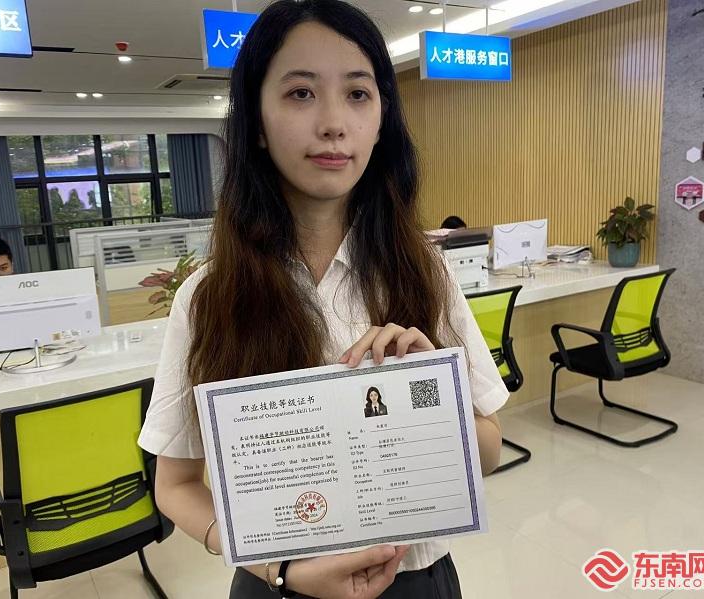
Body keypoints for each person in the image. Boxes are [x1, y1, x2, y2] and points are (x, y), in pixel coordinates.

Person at [138, 2, 507, 597]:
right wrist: (280, 568)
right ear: (257, 123)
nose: (334, 123)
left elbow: (488, 453)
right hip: (275, 583)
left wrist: (434, 399)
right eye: (301, 93)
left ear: (382, 119)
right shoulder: (208, 297)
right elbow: (175, 485)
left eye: (358, 94)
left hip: (414, 581)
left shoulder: (424, 271)